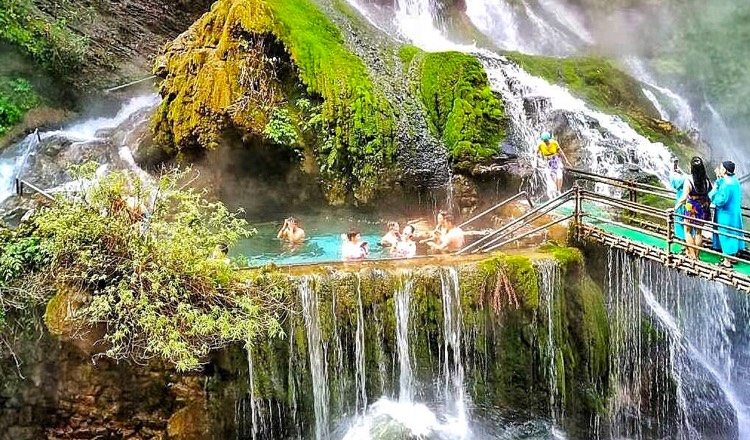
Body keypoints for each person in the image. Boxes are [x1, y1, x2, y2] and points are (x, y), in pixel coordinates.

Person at [674, 156, 712, 260]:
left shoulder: (689, 180)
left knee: (688, 231)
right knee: (699, 232)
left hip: (691, 207)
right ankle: (697, 255)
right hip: (703, 206)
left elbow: (684, 197)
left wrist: (675, 207)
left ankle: (692, 256)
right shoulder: (707, 180)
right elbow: (708, 190)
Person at [710, 161, 745, 268]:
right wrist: (720, 179)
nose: (719, 169)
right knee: (734, 233)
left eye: (721, 168)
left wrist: (715, 186)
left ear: (725, 170)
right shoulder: (735, 181)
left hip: (725, 215)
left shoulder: (726, 183)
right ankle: (733, 257)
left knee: (726, 235)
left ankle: (727, 261)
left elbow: (721, 200)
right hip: (734, 213)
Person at [670, 159, 686, 241]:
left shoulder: (684, 179)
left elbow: (675, 183)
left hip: (683, 203)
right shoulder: (696, 177)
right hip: (696, 205)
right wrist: (682, 173)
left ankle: (682, 238)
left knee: (681, 219)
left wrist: (672, 172)